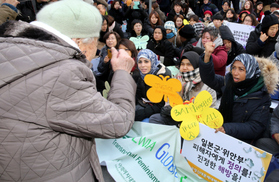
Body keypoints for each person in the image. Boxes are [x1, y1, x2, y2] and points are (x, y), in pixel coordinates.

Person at [0, 0, 136, 181]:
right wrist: (122, 72)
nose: (93, 53)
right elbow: (119, 121)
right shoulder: (62, 73)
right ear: (78, 41)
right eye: (95, 45)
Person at [199, 53, 278, 144]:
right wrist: (207, 57)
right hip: (219, 132)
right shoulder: (229, 82)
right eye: (234, 68)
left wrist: (227, 128)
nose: (235, 73)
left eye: (241, 69)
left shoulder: (262, 96)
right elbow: (209, 78)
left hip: (241, 143)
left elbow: (255, 127)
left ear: (250, 71)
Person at [149, 51, 217, 126]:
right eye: (182, 64)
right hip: (178, 115)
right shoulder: (176, 79)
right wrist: (168, 108)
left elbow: (211, 109)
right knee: (155, 119)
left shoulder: (206, 83)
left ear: (196, 65)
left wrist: (187, 112)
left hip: (197, 120)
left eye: (189, 64)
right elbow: (170, 98)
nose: (185, 67)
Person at [135, 49, 171, 121]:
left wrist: (142, 113)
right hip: (146, 105)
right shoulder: (141, 74)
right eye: (140, 62)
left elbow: (161, 105)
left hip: (162, 110)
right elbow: (138, 94)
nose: (143, 65)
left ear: (152, 61)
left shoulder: (163, 76)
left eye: (146, 61)